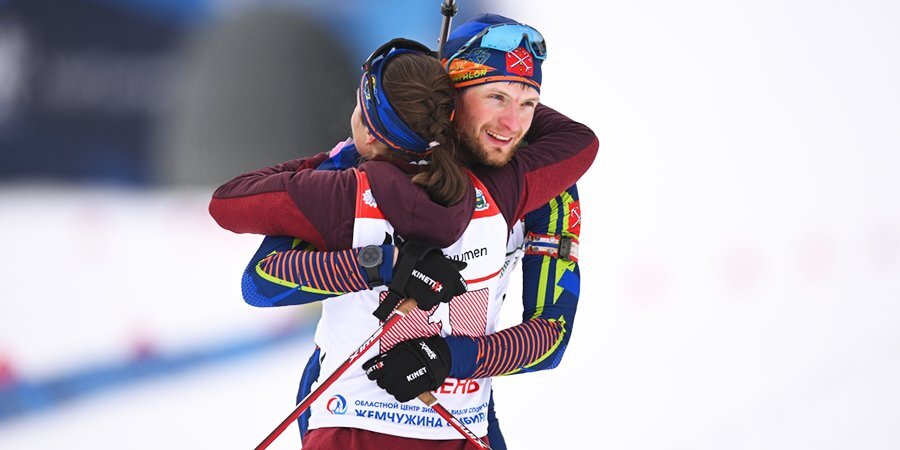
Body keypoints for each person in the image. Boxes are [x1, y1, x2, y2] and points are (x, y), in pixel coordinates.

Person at [210, 15, 596, 449]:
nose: (512, 124)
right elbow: (263, 282)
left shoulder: (544, 184)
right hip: (350, 418)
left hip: (461, 418)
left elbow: (551, 336)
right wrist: (376, 266)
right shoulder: (364, 164)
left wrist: (450, 358)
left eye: (528, 103)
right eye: (496, 97)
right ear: (450, 98)